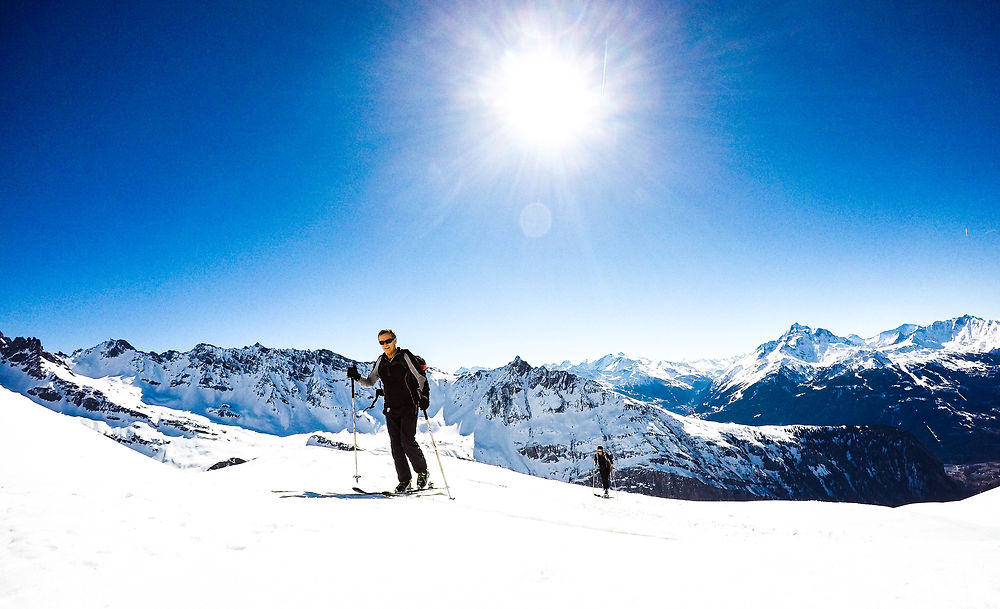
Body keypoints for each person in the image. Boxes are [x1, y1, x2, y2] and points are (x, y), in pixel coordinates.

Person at [347, 329, 430, 493]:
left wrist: (424, 396)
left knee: (407, 440)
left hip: (409, 405)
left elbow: (420, 377)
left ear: (395, 340)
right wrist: (357, 377)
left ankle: (422, 472)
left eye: (388, 341)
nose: (385, 345)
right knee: (396, 446)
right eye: (381, 342)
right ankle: (404, 480)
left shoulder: (405, 356)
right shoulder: (381, 361)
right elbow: (370, 381)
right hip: (391, 407)